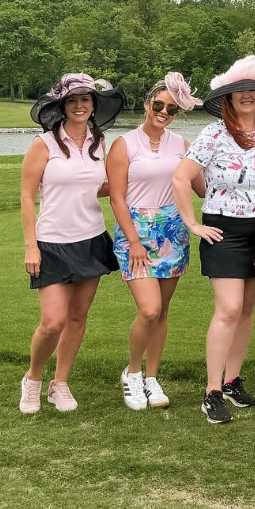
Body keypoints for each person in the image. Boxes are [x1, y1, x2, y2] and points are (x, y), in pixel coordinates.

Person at [172, 54, 255, 424]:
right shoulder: (214, 134)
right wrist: (193, 225)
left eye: (253, 91)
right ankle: (211, 391)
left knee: (246, 310)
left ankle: (232, 380)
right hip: (222, 229)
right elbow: (180, 178)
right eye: (239, 91)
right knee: (227, 308)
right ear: (228, 97)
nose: (246, 96)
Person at [19, 73, 126, 414]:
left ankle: (59, 383)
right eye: (72, 100)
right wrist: (30, 246)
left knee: (78, 317)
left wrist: (136, 179)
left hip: (90, 238)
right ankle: (33, 379)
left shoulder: (99, 140)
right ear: (62, 106)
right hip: (51, 241)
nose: (80, 105)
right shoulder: (44, 144)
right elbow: (25, 195)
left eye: (85, 99)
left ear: (94, 105)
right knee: (53, 321)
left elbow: (100, 186)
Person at [107, 72, 202, 411]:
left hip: (172, 230)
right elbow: (116, 198)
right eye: (159, 105)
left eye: (172, 109)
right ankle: (132, 374)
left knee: (161, 311)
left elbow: (202, 187)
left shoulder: (182, 145)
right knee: (148, 310)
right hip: (136, 230)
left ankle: (151, 376)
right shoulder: (124, 144)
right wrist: (132, 241)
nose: (164, 112)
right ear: (147, 104)